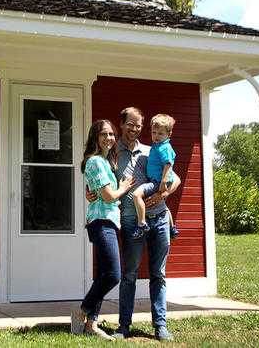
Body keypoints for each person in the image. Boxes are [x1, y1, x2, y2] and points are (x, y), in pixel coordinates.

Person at [86, 107, 181, 342]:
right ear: (122, 125)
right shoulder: (112, 154)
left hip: (159, 218)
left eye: (139, 125)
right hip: (130, 221)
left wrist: (162, 195)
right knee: (129, 275)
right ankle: (124, 326)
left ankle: (160, 325)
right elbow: (99, 181)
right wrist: (90, 192)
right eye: (131, 124)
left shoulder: (152, 150)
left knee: (158, 274)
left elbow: (175, 178)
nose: (135, 129)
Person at [71, 119, 135, 340]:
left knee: (102, 275)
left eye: (111, 134)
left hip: (108, 221)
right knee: (113, 275)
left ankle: (91, 324)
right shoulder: (96, 161)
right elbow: (108, 196)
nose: (109, 138)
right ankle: (81, 312)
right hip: (101, 221)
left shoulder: (106, 162)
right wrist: (123, 187)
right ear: (95, 138)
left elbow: (97, 192)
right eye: (103, 134)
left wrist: (93, 193)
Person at [129, 114, 180, 240]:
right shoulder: (157, 146)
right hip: (157, 180)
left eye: (160, 133)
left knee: (136, 195)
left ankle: (141, 224)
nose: (156, 136)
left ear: (169, 134)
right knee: (163, 206)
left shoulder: (164, 147)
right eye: (154, 132)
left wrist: (163, 182)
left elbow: (168, 164)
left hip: (158, 182)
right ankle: (172, 227)